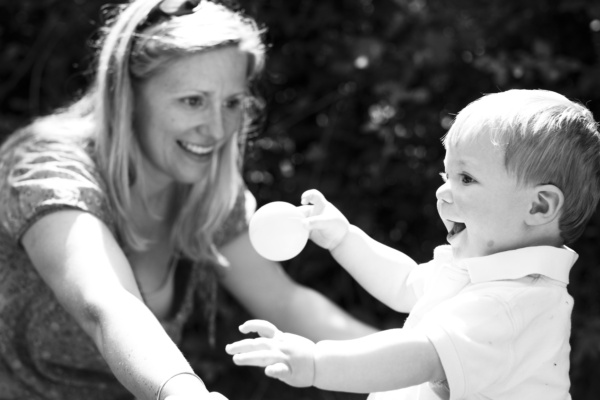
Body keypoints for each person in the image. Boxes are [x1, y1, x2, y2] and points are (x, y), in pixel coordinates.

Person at [0, 1, 375, 399]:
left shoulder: (206, 193)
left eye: (232, 103)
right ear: (128, 95)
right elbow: (107, 303)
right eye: (193, 100)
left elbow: (285, 301)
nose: (216, 129)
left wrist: (423, 357)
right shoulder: (46, 172)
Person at [225, 89, 600, 399]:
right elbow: (406, 283)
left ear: (538, 205)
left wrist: (315, 361)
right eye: (446, 174)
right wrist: (344, 238)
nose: (442, 191)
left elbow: (418, 356)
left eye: (466, 178)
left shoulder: (512, 304)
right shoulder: (481, 272)